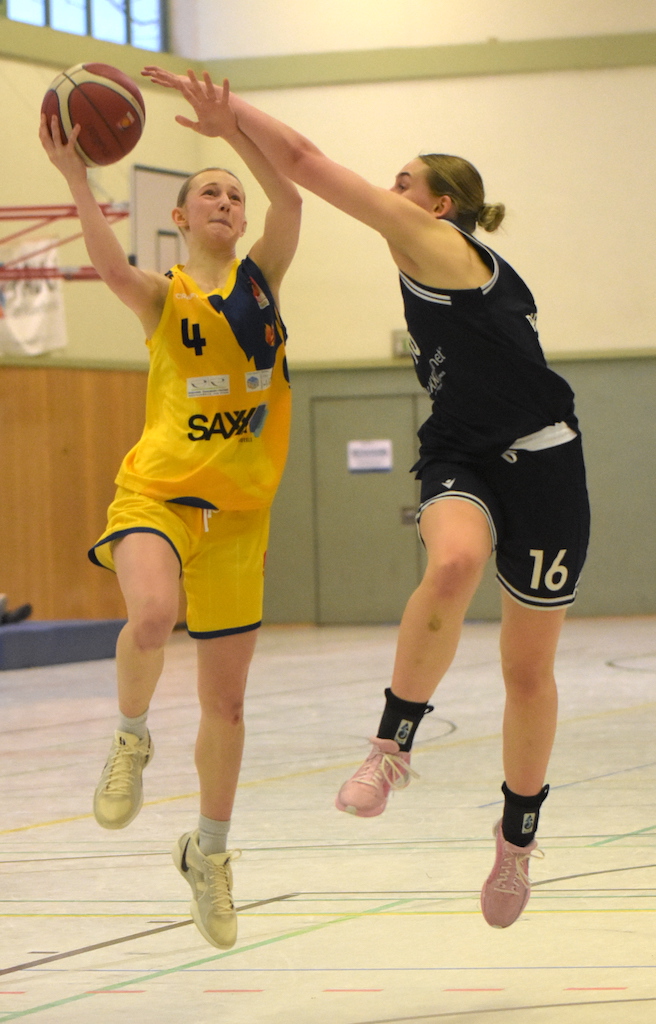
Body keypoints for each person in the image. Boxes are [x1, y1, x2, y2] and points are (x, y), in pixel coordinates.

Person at [143, 68, 590, 930]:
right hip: (461, 451)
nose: (388, 193)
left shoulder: (438, 246)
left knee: (528, 672)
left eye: (403, 183)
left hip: (547, 462)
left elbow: (306, 163)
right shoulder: (426, 253)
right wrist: (233, 127)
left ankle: (516, 843)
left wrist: (227, 113)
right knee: (454, 558)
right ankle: (390, 750)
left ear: (440, 207)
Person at [39, 94, 302, 950]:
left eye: (236, 195)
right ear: (180, 217)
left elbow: (292, 199)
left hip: (239, 519)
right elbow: (112, 270)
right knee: (152, 616)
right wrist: (78, 178)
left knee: (225, 705)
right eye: (212, 195)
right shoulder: (164, 295)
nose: (228, 203)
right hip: (155, 495)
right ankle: (129, 736)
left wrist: (236, 135)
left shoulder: (262, 283)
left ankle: (210, 857)